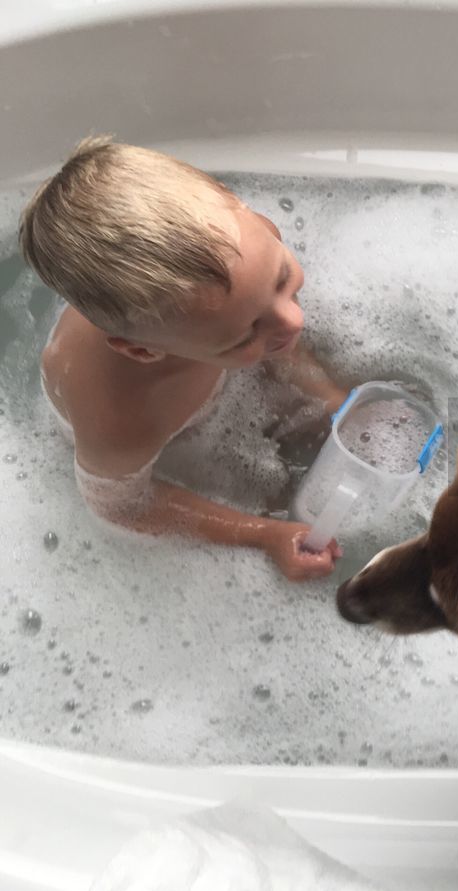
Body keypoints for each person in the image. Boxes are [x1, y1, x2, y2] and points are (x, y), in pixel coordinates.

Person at [20, 136, 348, 581]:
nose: (292, 320)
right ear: (144, 350)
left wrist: (332, 400)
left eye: (282, 277)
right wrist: (265, 534)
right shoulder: (122, 418)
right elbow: (123, 505)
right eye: (244, 334)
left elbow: (276, 335)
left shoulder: (246, 244)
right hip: (163, 436)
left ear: (234, 202)